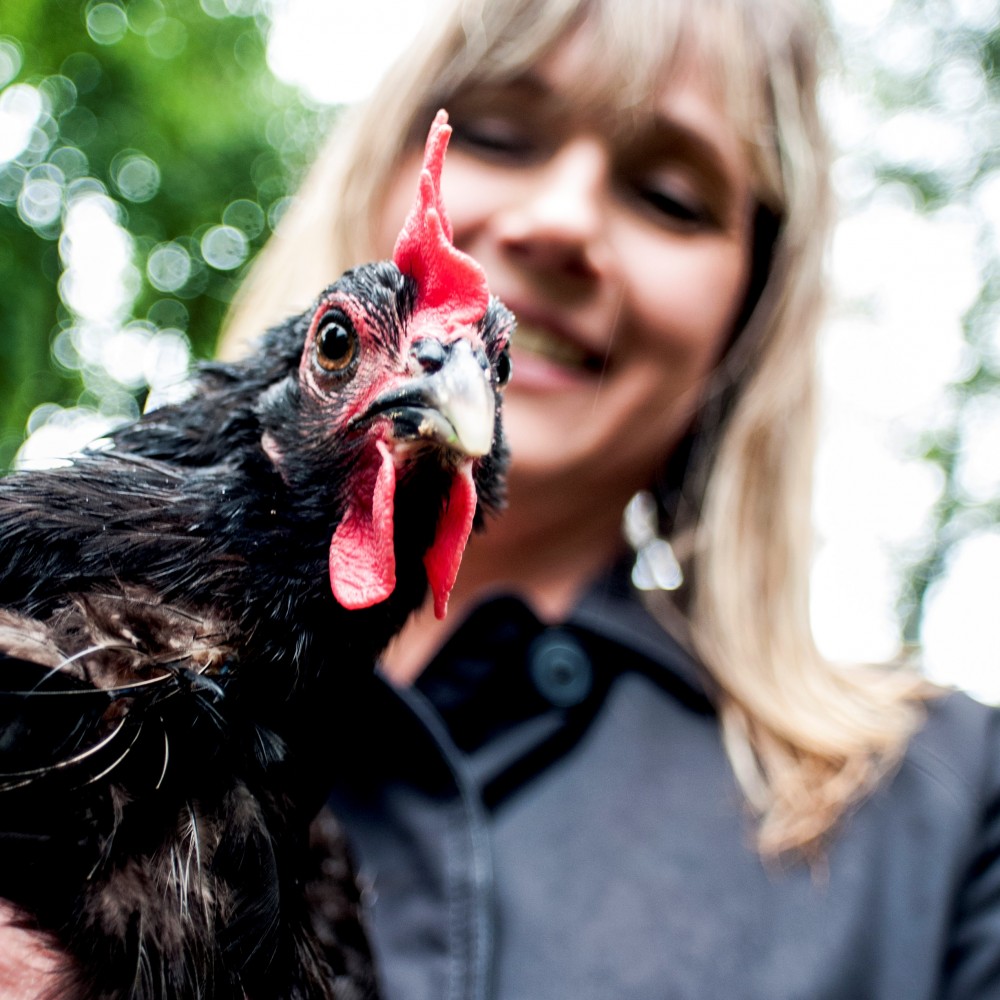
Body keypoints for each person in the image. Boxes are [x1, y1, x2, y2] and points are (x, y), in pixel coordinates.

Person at [3, 0, 999, 996]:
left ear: (747, 318)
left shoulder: (942, 823)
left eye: (667, 195)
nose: (560, 220)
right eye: (496, 133)